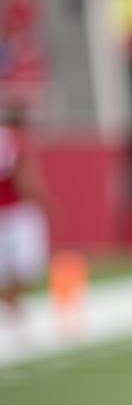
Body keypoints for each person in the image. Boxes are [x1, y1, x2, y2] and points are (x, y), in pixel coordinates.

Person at [0, 105, 52, 324]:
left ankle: (12, 304)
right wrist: (45, 202)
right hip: (15, 211)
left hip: (13, 211)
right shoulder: (11, 139)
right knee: (25, 263)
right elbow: (25, 176)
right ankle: (12, 304)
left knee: (20, 265)